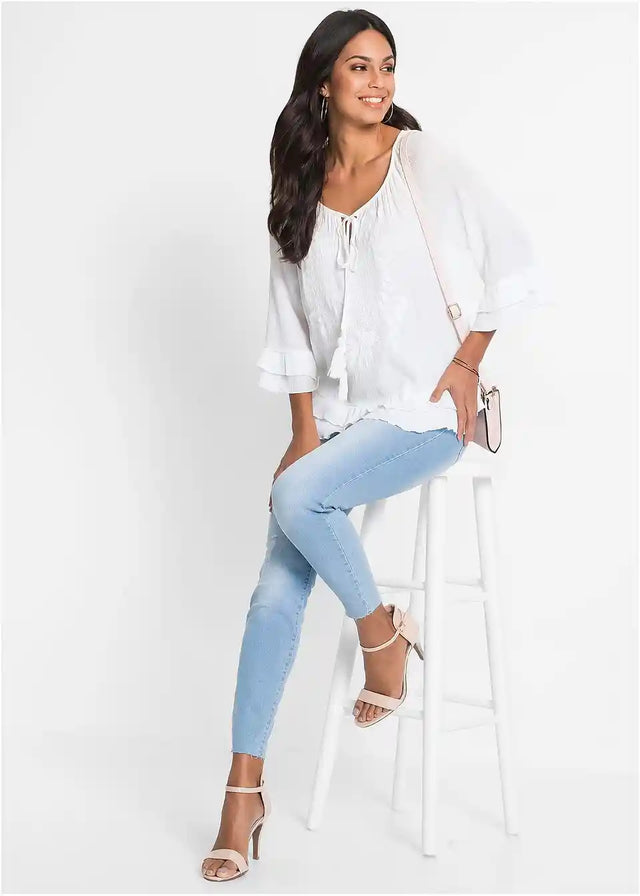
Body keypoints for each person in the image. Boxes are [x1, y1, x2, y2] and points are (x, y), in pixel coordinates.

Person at [202, 8, 543, 883]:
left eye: (387, 64)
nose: (378, 80)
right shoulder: (297, 185)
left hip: (423, 418)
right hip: (339, 421)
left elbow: (513, 258)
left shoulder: (424, 162)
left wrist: (467, 363)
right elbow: (289, 327)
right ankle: (243, 793)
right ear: (323, 81)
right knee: (272, 595)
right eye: (359, 66)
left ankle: (382, 641)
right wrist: (303, 433)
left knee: (295, 499)